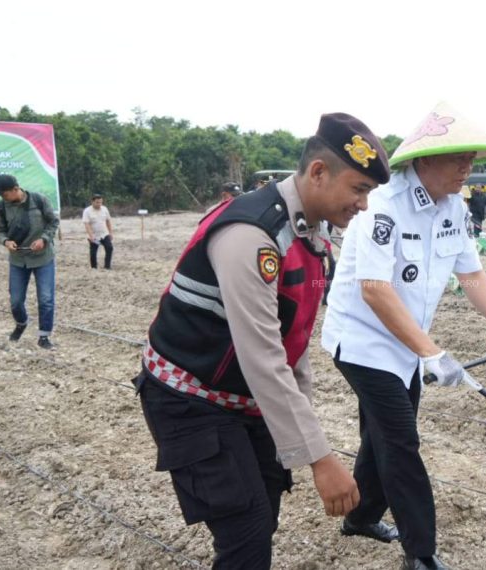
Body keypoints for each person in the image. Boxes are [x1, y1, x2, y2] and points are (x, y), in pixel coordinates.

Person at [135, 113, 390, 570]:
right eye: (358, 189)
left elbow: (294, 341)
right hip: (190, 396)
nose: (364, 205)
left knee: (263, 512)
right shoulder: (252, 235)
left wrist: (301, 431)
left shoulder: (308, 233)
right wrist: (320, 458)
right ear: (318, 172)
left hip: (244, 397)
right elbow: (263, 357)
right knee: (247, 530)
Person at [322, 102, 486, 570]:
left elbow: (470, 273)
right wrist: (431, 352)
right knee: (400, 442)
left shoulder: (454, 207)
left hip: (408, 345)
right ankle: (421, 552)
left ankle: (361, 517)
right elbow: (374, 288)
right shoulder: (383, 205)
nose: (467, 169)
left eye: (471, 160)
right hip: (363, 343)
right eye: (459, 159)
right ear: (426, 159)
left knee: (382, 434)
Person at [0, 174, 59, 349]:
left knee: (46, 298)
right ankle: (21, 323)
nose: (2, 197)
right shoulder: (2, 206)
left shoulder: (39, 200)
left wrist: (44, 239)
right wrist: (6, 241)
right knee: (16, 300)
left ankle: (44, 336)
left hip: (43, 257)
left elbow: (53, 222)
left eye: (4, 194)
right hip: (18, 259)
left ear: (15, 189)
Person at [82, 193, 114, 270]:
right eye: (97, 202)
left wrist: (110, 233)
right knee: (93, 251)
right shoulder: (87, 211)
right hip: (94, 234)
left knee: (109, 248)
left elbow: (108, 221)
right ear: (92, 202)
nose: (99, 204)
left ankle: (107, 266)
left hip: (104, 233)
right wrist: (91, 236)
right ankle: (94, 267)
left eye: (100, 202)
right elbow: (87, 224)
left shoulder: (105, 209)